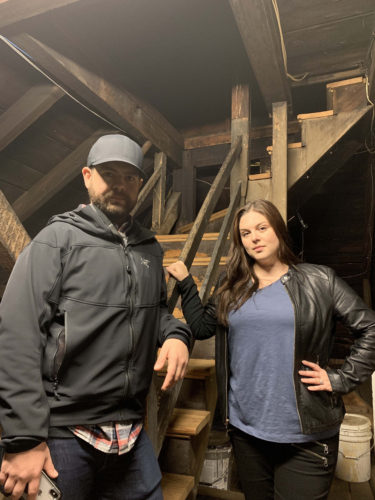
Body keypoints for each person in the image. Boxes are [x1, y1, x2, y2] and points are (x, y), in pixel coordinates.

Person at [0, 134, 192, 500]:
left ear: (140, 184)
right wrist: (24, 439)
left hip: (131, 433)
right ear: (88, 176)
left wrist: (176, 335)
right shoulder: (55, 240)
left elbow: (157, 313)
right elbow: (16, 335)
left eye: (130, 177)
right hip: (63, 433)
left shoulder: (149, 250)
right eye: (109, 174)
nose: (119, 184)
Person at [167, 199, 375, 500]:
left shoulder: (318, 280)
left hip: (306, 435)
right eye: (246, 232)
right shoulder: (232, 287)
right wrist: (187, 285)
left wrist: (340, 379)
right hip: (246, 432)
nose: (254, 237)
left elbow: (370, 328)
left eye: (262, 228)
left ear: (277, 229)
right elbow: (201, 328)